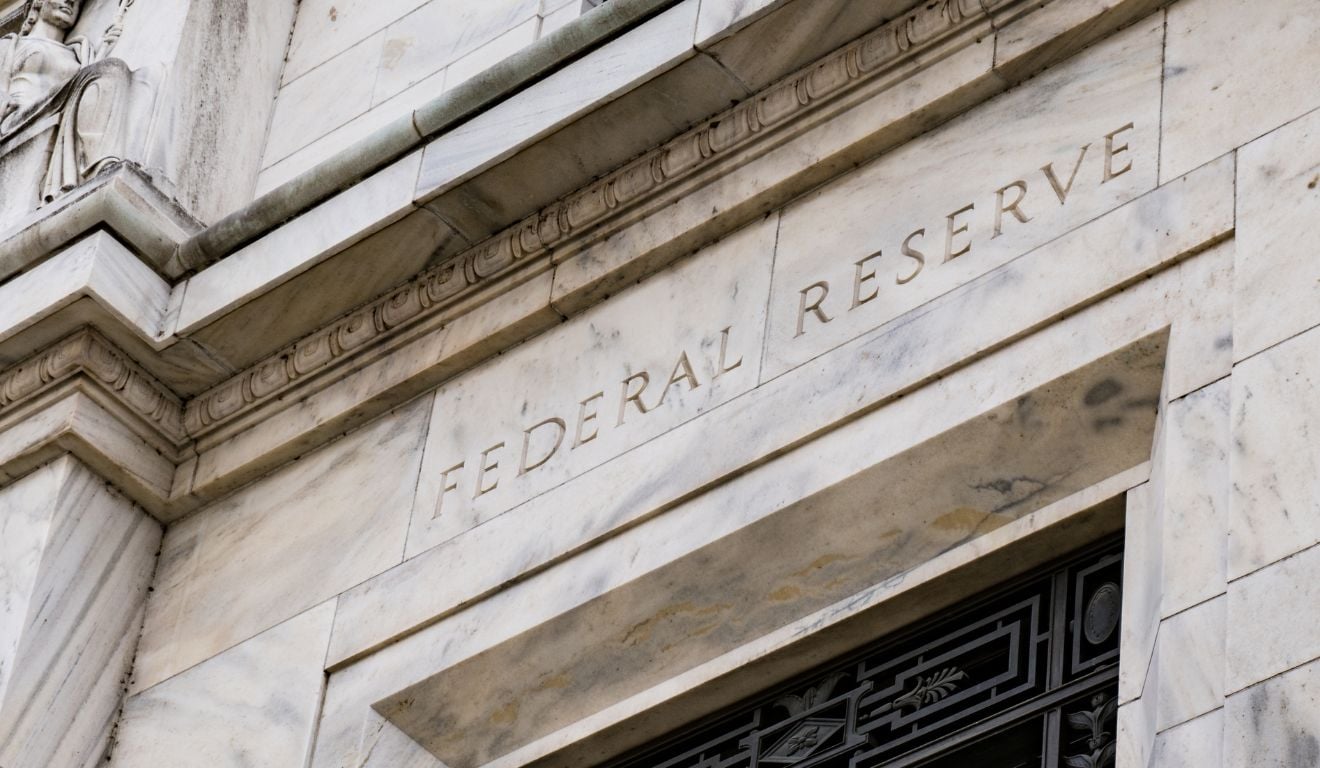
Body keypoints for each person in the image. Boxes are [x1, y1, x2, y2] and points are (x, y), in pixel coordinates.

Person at [0, 0, 129, 203]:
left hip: (60, 106)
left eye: (77, 1)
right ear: (38, 3)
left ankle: (101, 167)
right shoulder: (11, 44)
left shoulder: (78, 52)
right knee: (110, 70)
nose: (70, 2)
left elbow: (86, 92)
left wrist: (104, 48)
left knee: (114, 70)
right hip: (18, 116)